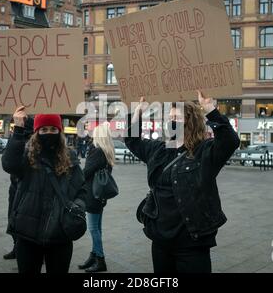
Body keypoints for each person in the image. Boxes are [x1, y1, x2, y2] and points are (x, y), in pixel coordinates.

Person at [124, 92, 240, 273]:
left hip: (192, 243)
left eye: (176, 117)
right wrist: (138, 113)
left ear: (190, 122)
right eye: (170, 117)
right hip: (161, 241)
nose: (171, 121)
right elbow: (132, 140)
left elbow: (230, 141)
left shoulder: (205, 151)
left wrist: (209, 109)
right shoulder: (159, 150)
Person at [2, 106, 86, 273]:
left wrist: (77, 206)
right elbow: (9, 164)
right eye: (44, 129)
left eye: (53, 129)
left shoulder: (70, 157)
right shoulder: (27, 155)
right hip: (28, 234)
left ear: (59, 132)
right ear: (36, 132)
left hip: (60, 234)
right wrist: (18, 129)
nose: (49, 133)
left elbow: (82, 189)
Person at [78, 123, 115, 273]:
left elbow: (86, 172)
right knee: (97, 227)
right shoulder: (106, 151)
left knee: (93, 229)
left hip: (92, 195)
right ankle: (94, 255)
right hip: (99, 195)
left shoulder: (97, 151)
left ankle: (100, 259)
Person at [3, 117, 34, 260]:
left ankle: (25, 249)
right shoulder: (16, 138)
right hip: (14, 185)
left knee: (24, 219)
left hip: (26, 187)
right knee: (13, 217)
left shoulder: (31, 143)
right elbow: (7, 161)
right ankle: (17, 247)